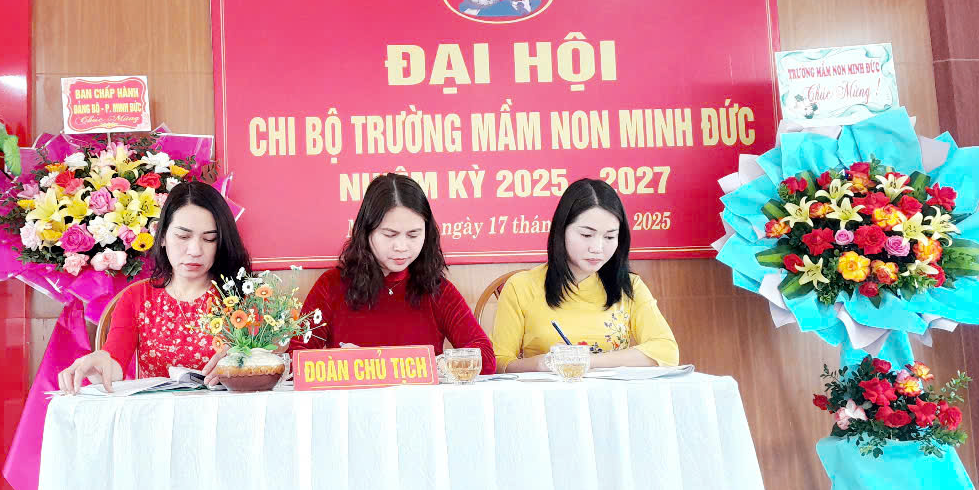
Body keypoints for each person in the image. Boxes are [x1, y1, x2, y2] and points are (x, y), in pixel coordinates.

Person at [57, 181, 251, 392]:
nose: (195, 250)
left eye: (210, 239)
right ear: (162, 235)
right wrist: (98, 363)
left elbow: (273, 359)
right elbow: (114, 359)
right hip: (156, 410)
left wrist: (247, 362)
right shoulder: (137, 297)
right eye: (183, 236)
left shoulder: (245, 295)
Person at [293, 173, 496, 374]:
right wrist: (342, 362)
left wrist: (424, 364)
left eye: (413, 235)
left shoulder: (436, 289)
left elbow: (486, 359)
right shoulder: (331, 286)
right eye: (389, 235)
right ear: (366, 231)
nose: (401, 246)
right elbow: (296, 358)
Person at [492, 178, 678, 373]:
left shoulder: (629, 286)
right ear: (561, 230)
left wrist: (586, 361)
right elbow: (499, 362)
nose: (597, 248)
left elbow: (666, 351)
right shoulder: (521, 286)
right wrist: (539, 364)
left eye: (609, 237)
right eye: (586, 235)